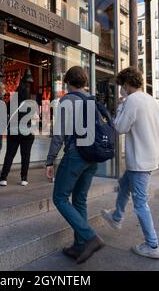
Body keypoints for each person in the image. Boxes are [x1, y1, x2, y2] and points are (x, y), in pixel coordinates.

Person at [101, 67, 159, 260]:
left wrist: (120, 106)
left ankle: (153, 244)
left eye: (121, 86)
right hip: (150, 157)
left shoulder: (131, 100)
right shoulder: (151, 100)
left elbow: (119, 127)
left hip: (139, 160)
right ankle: (117, 216)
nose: (121, 89)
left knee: (140, 203)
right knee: (123, 185)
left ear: (126, 84)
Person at [46, 66, 105, 265]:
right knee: (80, 200)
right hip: (92, 157)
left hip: (75, 155)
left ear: (67, 82)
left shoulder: (67, 101)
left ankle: (89, 237)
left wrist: (50, 160)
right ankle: (79, 246)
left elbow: (59, 134)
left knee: (60, 197)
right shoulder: (92, 100)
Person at [0, 75, 35, 187]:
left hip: (14, 130)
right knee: (26, 155)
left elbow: (6, 113)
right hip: (27, 131)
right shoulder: (30, 103)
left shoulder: (12, 101)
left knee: (10, 154)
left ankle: (3, 178)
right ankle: (24, 178)